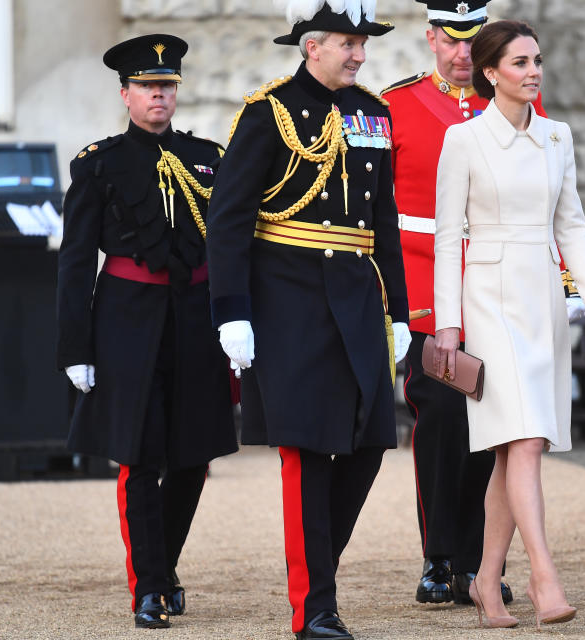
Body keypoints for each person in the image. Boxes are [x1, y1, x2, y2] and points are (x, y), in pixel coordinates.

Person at [204, 1, 411, 638]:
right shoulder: (267, 112)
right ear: (310, 45)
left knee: (371, 443)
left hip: (355, 295)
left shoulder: (372, 112)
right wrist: (231, 312)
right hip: (287, 299)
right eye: (348, 43)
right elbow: (230, 219)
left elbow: (383, 221)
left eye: (363, 43)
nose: (359, 54)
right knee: (308, 453)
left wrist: (400, 310)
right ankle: (315, 607)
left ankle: (317, 565)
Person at [432, 20, 585, 629]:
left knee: (516, 448)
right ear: (489, 73)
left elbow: (573, 224)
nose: (533, 71)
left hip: (540, 298)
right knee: (527, 439)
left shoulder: (558, 136)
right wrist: (449, 325)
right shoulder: (462, 140)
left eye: (536, 60)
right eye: (519, 62)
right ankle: (543, 577)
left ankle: (486, 581)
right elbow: (446, 240)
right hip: (486, 299)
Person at [56, 34, 238, 629]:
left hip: (195, 315)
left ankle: (163, 568)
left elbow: (232, 242)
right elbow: (76, 261)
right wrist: (74, 345)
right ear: (125, 94)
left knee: (194, 456)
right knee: (140, 454)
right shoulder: (98, 162)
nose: (159, 94)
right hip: (126, 317)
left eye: (167, 85)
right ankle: (150, 587)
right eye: (146, 86)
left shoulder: (208, 157)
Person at [381, 0, 552, 607]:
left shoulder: (513, 108)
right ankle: (440, 557)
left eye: (471, 40)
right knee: (443, 423)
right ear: (430, 38)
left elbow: (544, 200)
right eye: (451, 41)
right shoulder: (392, 106)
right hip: (423, 286)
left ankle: (480, 563)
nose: (461, 54)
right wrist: (388, 296)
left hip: (494, 285)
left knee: (495, 427)